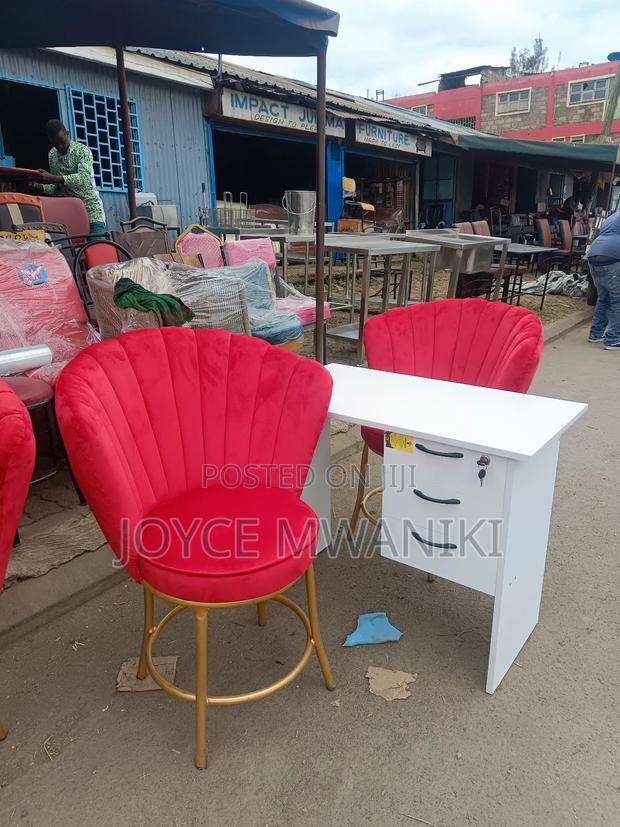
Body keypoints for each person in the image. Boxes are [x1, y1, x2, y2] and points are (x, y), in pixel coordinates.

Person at [35, 119, 106, 236]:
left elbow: (83, 178)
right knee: (71, 250)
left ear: (67, 134)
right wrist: (39, 186)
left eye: (62, 141)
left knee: (96, 248)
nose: (60, 146)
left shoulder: (83, 151)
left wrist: (52, 178)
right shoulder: (52, 155)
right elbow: (58, 189)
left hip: (91, 211)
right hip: (71, 214)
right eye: (55, 143)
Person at [587, 210, 620, 351]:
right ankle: (613, 339)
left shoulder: (613, 216)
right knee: (617, 300)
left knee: (603, 298)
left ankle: (595, 334)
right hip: (612, 257)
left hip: (594, 255)